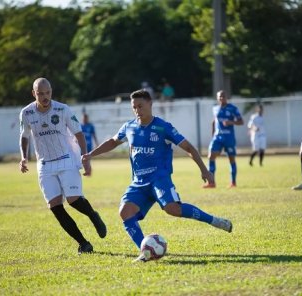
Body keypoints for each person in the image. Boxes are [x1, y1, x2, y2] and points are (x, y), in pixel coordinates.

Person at [83, 89, 232, 262]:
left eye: (140, 106)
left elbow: (189, 148)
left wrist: (204, 170)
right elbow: (112, 142)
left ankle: (213, 220)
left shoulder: (163, 127)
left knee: (173, 209)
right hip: (138, 183)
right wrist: (91, 154)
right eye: (134, 107)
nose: (137, 110)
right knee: (125, 211)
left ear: (150, 104)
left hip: (159, 179)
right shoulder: (129, 127)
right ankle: (145, 251)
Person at [19, 77, 107, 255]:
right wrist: (23, 158)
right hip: (44, 165)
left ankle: (92, 215)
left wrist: (85, 157)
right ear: (33, 93)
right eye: (40, 93)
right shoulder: (26, 113)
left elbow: (79, 133)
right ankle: (83, 243)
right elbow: (24, 136)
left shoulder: (63, 109)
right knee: (55, 207)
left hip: (66, 159)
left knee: (73, 200)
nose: (45, 97)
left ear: (51, 91)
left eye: (48, 92)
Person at [204, 90, 244, 188]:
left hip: (229, 137)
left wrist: (231, 122)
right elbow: (214, 121)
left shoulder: (233, 108)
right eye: (220, 97)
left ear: (227, 97)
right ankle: (211, 182)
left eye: (223, 96)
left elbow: (241, 121)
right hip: (217, 137)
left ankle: (233, 182)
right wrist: (213, 134)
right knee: (211, 156)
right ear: (217, 98)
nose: (221, 98)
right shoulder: (215, 108)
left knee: (231, 159)